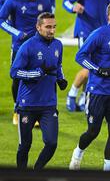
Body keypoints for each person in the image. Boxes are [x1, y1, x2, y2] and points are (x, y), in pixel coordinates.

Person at [69, 1, 110, 171]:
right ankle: (78, 152)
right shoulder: (99, 34)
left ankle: (108, 171)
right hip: (97, 91)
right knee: (93, 132)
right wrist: (98, 70)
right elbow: (80, 56)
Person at [10, 12, 67, 169]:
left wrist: (61, 79)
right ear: (38, 27)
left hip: (48, 104)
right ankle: (21, 178)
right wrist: (37, 73)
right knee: (25, 146)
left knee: (52, 143)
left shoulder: (58, 45)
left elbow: (58, 65)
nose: (52, 30)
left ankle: (37, 172)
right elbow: (14, 72)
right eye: (48, 27)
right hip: (27, 105)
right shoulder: (27, 46)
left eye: (54, 27)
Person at [0, 0, 52, 125]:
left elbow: (50, 21)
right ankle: (17, 110)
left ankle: (35, 113)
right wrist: (16, 32)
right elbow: (1, 20)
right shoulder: (13, 0)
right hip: (19, 46)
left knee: (39, 77)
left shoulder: (44, 1)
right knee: (18, 78)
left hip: (39, 46)